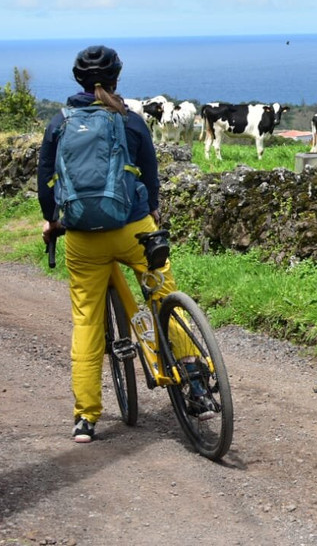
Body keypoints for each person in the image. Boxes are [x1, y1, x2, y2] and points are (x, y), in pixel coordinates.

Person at [37, 45, 213, 443]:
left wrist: (53, 221)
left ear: (78, 80)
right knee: (163, 297)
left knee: (86, 321)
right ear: (117, 78)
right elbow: (150, 175)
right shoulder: (130, 120)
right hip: (135, 230)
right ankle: (196, 386)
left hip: (83, 239)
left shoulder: (59, 123)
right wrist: (150, 211)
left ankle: (86, 418)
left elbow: (46, 184)